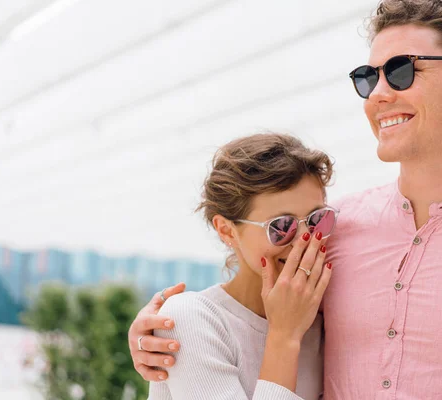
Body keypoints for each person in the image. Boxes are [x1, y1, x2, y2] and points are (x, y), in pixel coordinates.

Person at [129, 0, 442, 398]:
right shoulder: (333, 231)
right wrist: (158, 332)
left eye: (402, 70)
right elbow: (249, 310)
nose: (379, 95)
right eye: (369, 78)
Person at [144, 133, 337, 399]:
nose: (305, 241)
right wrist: (284, 337)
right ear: (227, 231)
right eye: (281, 226)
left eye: (318, 219)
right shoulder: (191, 318)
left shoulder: (326, 316)